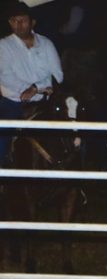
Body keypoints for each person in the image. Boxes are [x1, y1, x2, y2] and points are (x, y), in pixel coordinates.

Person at [0, 2, 63, 164]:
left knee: (71, 125)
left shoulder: (46, 44)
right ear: (9, 23)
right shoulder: (4, 46)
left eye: (23, 20)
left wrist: (36, 88)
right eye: (14, 20)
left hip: (45, 102)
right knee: (2, 134)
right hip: (13, 102)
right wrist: (30, 90)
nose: (19, 24)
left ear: (32, 22)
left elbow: (58, 75)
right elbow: (5, 76)